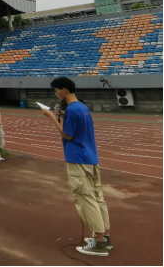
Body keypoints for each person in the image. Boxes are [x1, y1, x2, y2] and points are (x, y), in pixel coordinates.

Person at [42, 77, 113, 258]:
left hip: (78, 159)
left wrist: (52, 117)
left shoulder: (73, 110)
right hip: (91, 157)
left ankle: (99, 241)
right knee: (97, 197)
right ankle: (105, 237)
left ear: (64, 90)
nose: (56, 94)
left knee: (85, 197)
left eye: (56, 90)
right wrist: (62, 115)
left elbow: (68, 135)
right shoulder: (82, 108)